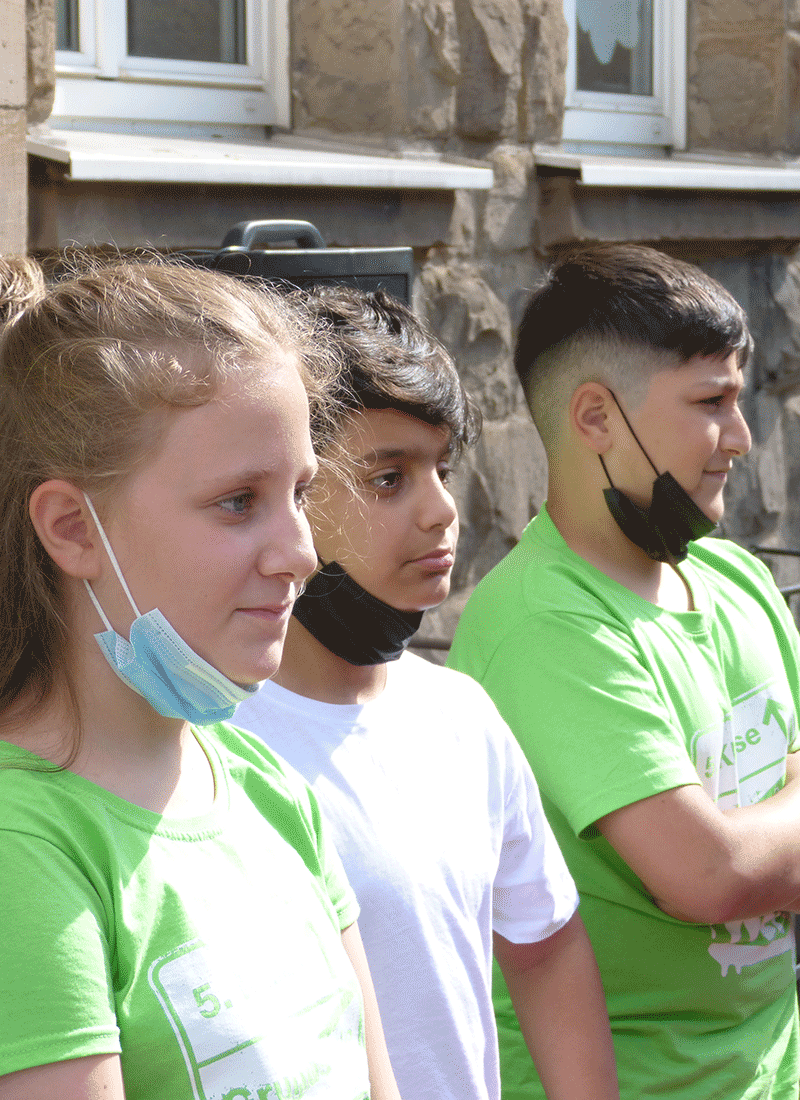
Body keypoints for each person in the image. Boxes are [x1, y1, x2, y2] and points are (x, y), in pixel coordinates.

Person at [0, 258, 401, 1100]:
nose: (299, 552)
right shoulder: (24, 850)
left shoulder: (266, 787)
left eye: (300, 492)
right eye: (236, 502)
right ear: (72, 528)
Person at [234, 285, 619, 1100]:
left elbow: (545, 943)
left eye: (442, 469)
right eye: (387, 479)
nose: (442, 509)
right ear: (291, 490)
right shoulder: (213, 741)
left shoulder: (460, 717)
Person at [448, 243, 800, 1100]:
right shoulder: (542, 625)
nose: (743, 439)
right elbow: (708, 876)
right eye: (711, 402)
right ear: (597, 418)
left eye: (740, 400)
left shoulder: (735, 577)